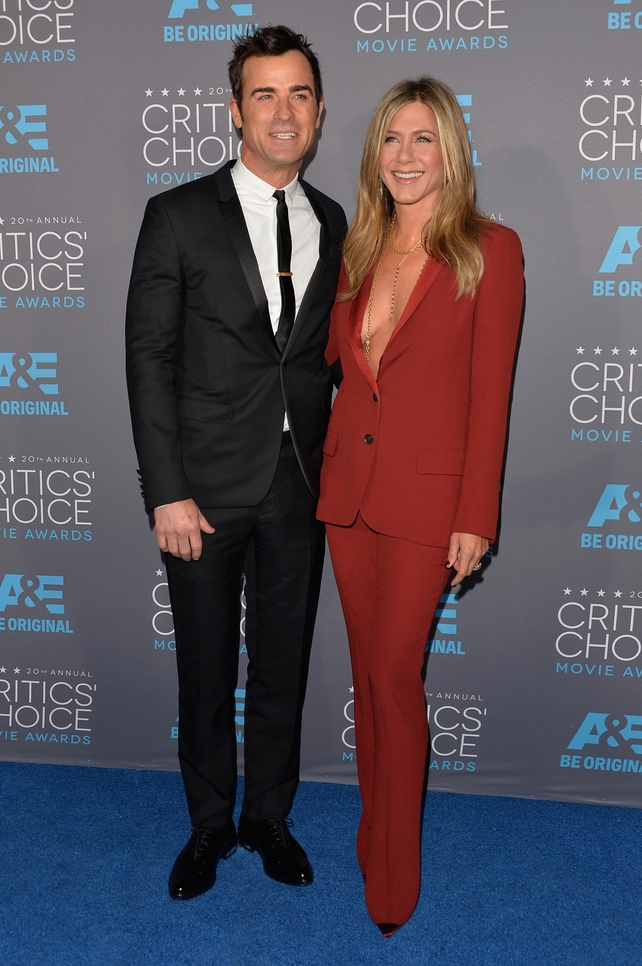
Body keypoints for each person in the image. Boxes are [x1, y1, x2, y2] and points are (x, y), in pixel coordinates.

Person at [126, 25, 346, 901]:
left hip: (302, 488)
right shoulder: (176, 215)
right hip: (204, 493)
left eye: (298, 94)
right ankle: (211, 825)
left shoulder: (333, 219)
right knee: (207, 666)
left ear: (319, 113)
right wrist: (166, 490)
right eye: (265, 94)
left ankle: (269, 819)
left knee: (283, 668)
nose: (282, 111)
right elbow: (149, 361)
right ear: (235, 110)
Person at [317, 77, 524, 935]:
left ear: (450, 151)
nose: (404, 156)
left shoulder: (490, 249)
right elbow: (336, 368)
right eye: (391, 141)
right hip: (347, 499)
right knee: (367, 678)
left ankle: (396, 872)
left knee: (397, 680)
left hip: (428, 505)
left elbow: (491, 396)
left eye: (422, 140)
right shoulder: (357, 249)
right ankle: (375, 827)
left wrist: (475, 515)